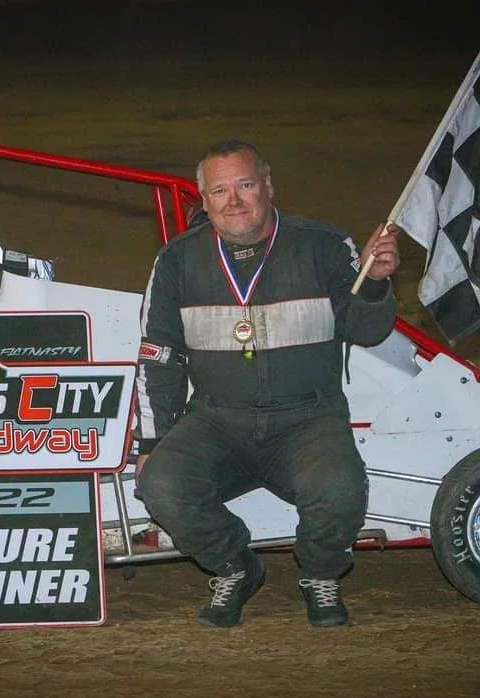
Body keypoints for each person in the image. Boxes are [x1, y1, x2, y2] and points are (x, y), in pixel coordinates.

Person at [133, 139, 400, 628]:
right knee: (159, 483)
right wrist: (152, 441)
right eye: (219, 190)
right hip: (217, 419)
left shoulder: (322, 245)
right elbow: (159, 359)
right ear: (204, 199)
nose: (234, 201)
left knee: (340, 487)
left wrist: (376, 281)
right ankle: (236, 567)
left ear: (269, 187)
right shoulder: (176, 261)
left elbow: (367, 330)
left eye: (246, 185)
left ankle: (320, 574)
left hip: (309, 419)